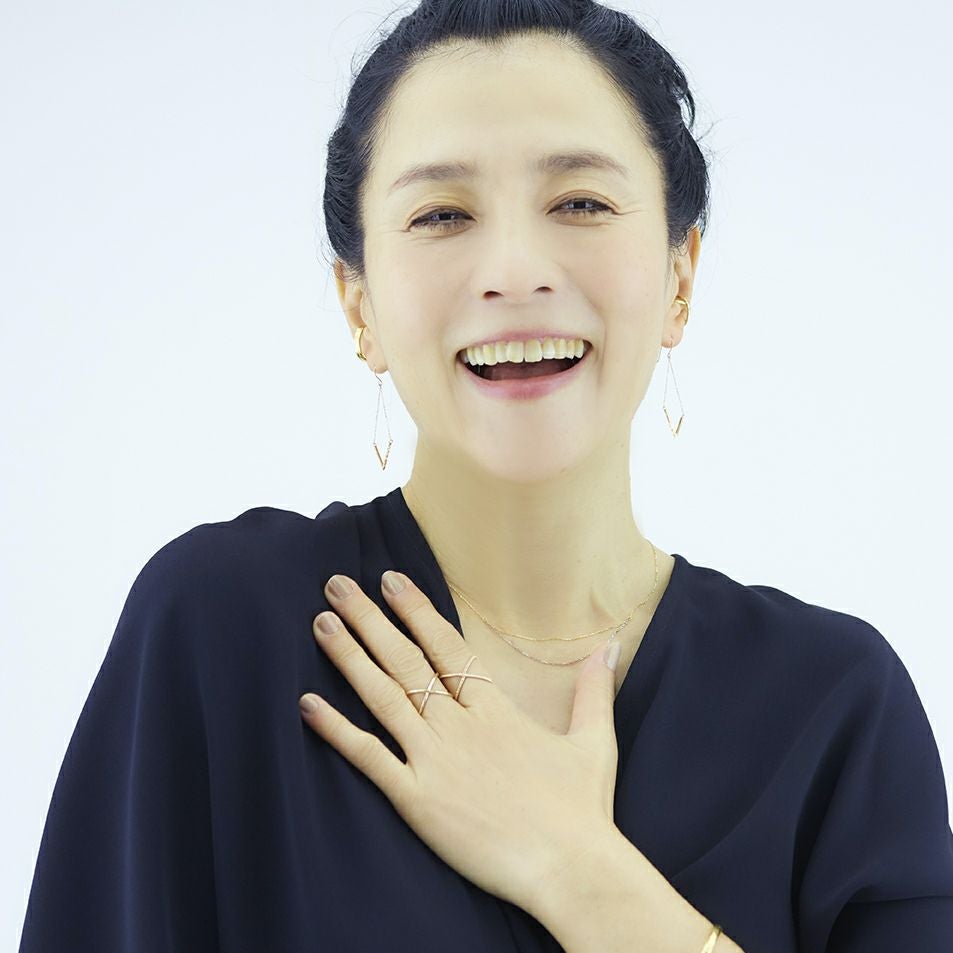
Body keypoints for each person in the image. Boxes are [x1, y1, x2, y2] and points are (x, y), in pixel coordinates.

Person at [18, 2, 953, 952]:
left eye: (579, 203)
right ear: (358, 304)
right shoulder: (223, 630)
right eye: (441, 215)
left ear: (680, 274)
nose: (513, 270)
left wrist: (576, 869)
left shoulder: (836, 705)